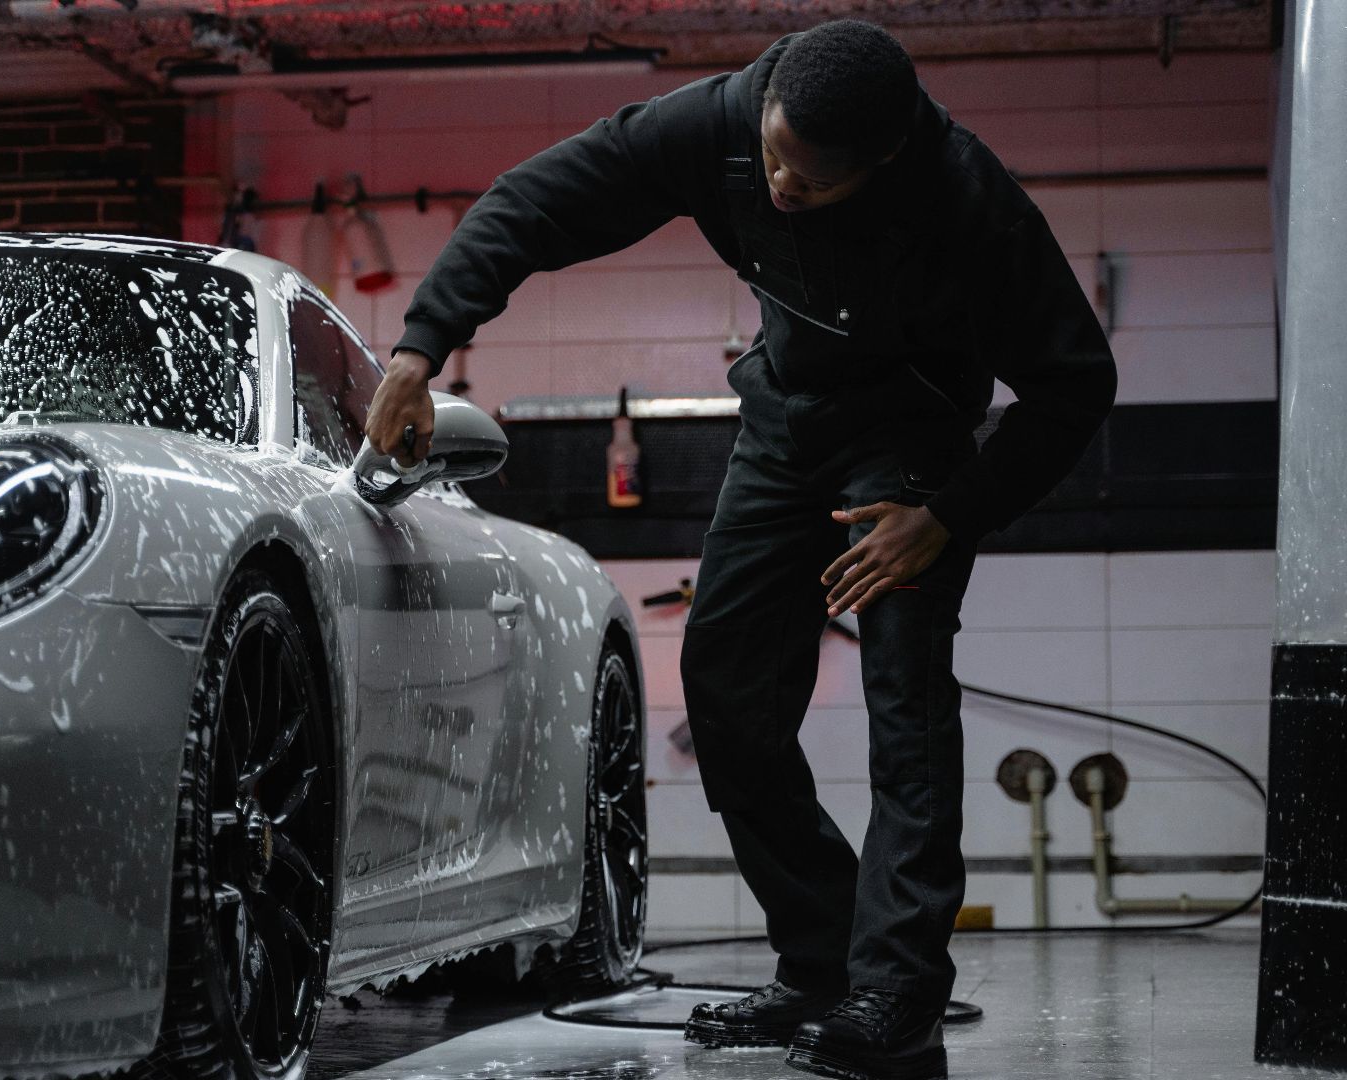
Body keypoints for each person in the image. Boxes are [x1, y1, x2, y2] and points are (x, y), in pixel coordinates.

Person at [364, 19, 1115, 1080]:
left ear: (884, 161)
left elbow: (1076, 385)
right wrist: (420, 343)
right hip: (784, 426)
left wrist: (948, 514)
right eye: (771, 156)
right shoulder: (718, 121)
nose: (778, 185)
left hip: (909, 448)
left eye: (809, 180)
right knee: (724, 694)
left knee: (904, 699)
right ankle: (818, 960)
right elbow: (537, 201)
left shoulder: (967, 200)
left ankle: (898, 984)